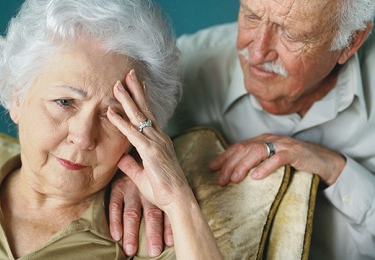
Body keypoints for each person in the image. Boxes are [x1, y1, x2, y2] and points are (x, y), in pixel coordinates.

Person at [108, 0, 375, 259]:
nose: (257, 52)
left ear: (350, 42)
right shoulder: (182, 70)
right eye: (251, 17)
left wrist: (334, 168)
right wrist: (125, 164)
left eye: (291, 35)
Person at [0, 0, 224, 259]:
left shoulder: (152, 237)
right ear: (17, 98)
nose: (83, 138)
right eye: (65, 102)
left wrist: (177, 202)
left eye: (113, 114)